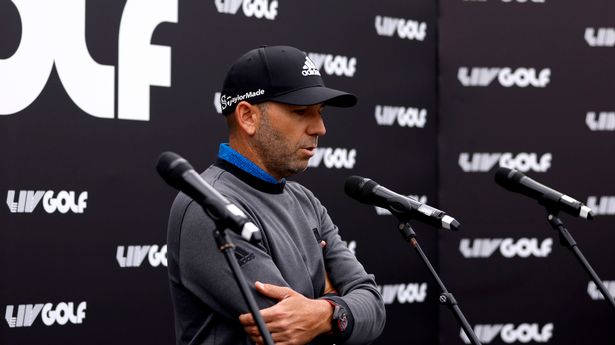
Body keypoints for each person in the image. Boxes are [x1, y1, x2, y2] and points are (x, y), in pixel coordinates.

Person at [166, 45, 385, 345]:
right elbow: (287, 330)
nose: (320, 127)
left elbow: (373, 304)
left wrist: (324, 311)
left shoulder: (307, 202)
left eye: (320, 113)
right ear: (247, 117)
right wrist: (336, 300)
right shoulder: (208, 205)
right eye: (300, 112)